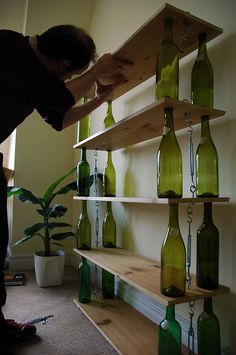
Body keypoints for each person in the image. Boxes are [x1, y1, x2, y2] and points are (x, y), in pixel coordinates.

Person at [0, 24, 130, 347]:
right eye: (73, 75)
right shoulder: (8, 46)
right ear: (63, 66)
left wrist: (100, 100)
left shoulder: (33, 71)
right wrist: (98, 71)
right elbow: (60, 97)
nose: (68, 81)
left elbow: (58, 118)